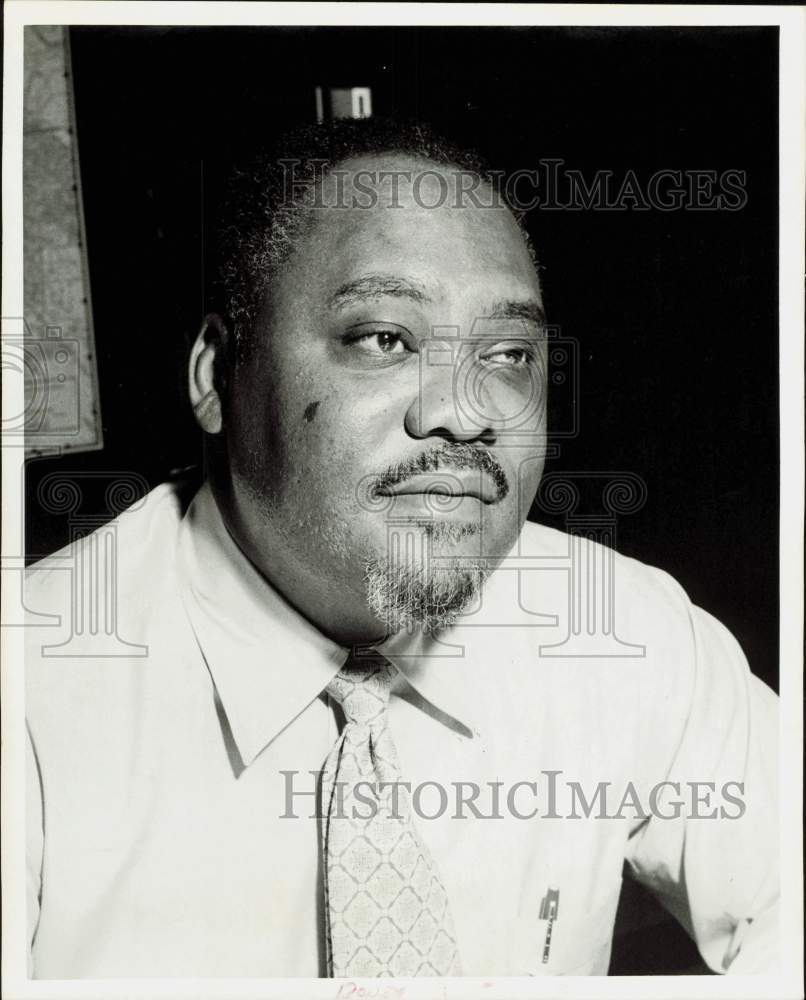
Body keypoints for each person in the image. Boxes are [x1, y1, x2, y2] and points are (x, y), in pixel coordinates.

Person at [25, 118, 777, 978]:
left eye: (507, 354)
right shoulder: (35, 694)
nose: (465, 411)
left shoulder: (625, 633)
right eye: (385, 339)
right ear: (216, 374)